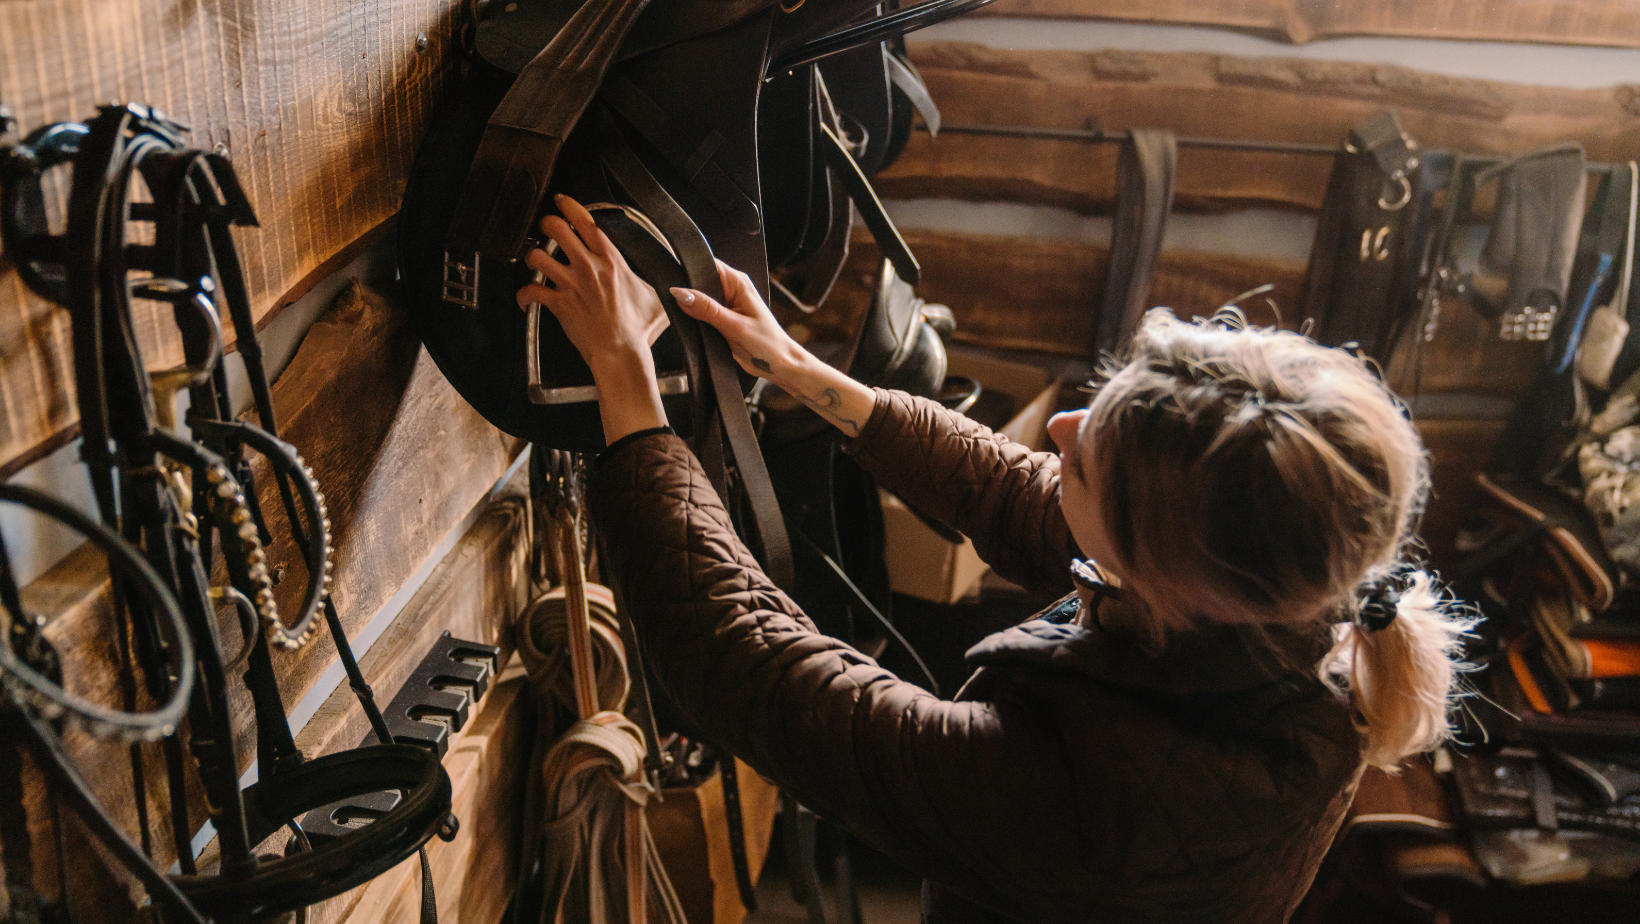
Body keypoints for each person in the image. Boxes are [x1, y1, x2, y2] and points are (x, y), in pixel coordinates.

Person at [518, 195, 1475, 924]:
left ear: (1171, 579)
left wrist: (627, 392)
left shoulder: (1091, 810)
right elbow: (1021, 494)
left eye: (1089, 459)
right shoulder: (1281, 607)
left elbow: (762, 675)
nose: (1056, 427)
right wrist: (806, 374)